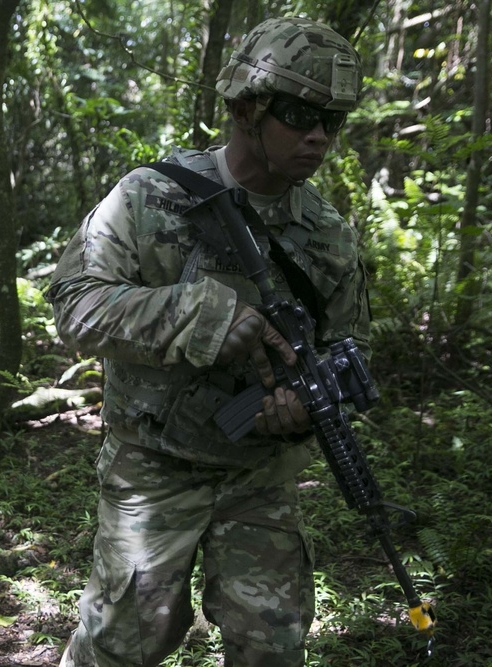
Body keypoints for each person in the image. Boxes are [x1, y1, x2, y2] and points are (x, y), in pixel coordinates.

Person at [45, 17, 371, 667]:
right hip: (152, 465)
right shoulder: (148, 198)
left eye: (332, 120)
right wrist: (195, 317)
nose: (318, 135)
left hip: (260, 475)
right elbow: (75, 307)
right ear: (247, 109)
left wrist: (308, 405)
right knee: (126, 641)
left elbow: (349, 347)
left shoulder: (328, 234)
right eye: (300, 112)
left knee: (271, 643)